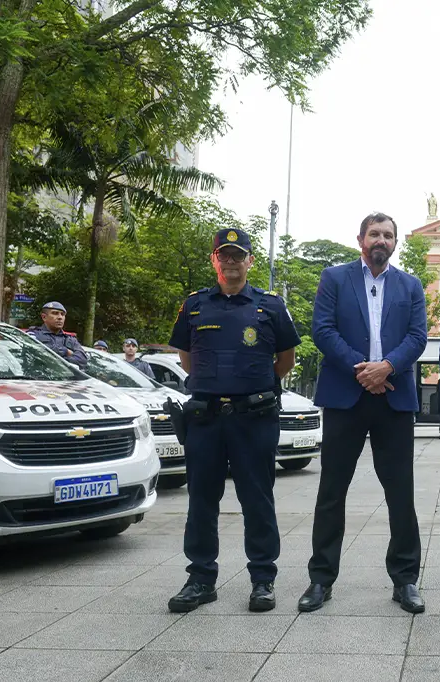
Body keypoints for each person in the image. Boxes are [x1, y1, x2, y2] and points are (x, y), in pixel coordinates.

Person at [166, 227, 300, 614]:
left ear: (249, 261)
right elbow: (188, 357)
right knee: (202, 501)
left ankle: (263, 580)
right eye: (223, 255)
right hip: (205, 419)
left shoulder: (270, 306)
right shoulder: (194, 306)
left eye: (237, 255)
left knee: (257, 500)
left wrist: (253, 385)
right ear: (214, 260)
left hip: (253, 419)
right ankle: (201, 579)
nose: (230, 261)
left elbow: (285, 359)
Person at [299, 212, 428, 615]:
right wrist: (363, 368)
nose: (381, 240)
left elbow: (417, 336)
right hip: (345, 397)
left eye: (388, 235)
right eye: (374, 233)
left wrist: (386, 367)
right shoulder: (335, 278)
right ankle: (321, 579)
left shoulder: (410, 285)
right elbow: (323, 330)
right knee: (331, 492)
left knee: (400, 494)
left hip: (393, 398)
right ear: (360, 239)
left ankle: (405, 580)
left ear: (395, 243)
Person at [28, 301, 88, 369]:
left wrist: (59, 363)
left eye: (62, 314)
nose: (60, 317)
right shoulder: (33, 335)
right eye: (55, 313)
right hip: (38, 378)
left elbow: (82, 360)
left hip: (67, 378)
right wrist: (66, 351)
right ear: (44, 317)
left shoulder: (71, 339)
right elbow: (39, 354)